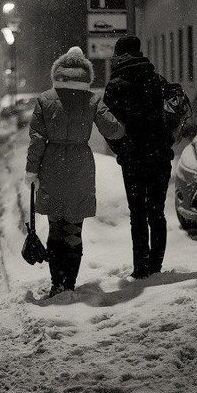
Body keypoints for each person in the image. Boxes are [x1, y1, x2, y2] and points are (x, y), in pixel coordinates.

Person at [26, 46, 125, 297]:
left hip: (51, 165)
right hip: (80, 166)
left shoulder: (45, 99)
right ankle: (70, 283)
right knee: (74, 229)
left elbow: (37, 139)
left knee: (55, 225)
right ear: (85, 74)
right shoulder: (92, 100)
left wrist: (31, 171)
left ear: (58, 72)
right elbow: (114, 130)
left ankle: (56, 283)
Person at [103, 35, 174, 279]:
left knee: (138, 214)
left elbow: (107, 124)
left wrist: (121, 148)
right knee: (157, 212)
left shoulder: (115, 85)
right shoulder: (156, 80)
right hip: (159, 155)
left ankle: (141, 267)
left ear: (119, 55)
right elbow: (171, 113)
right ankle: (156, 267)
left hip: (133, 158)